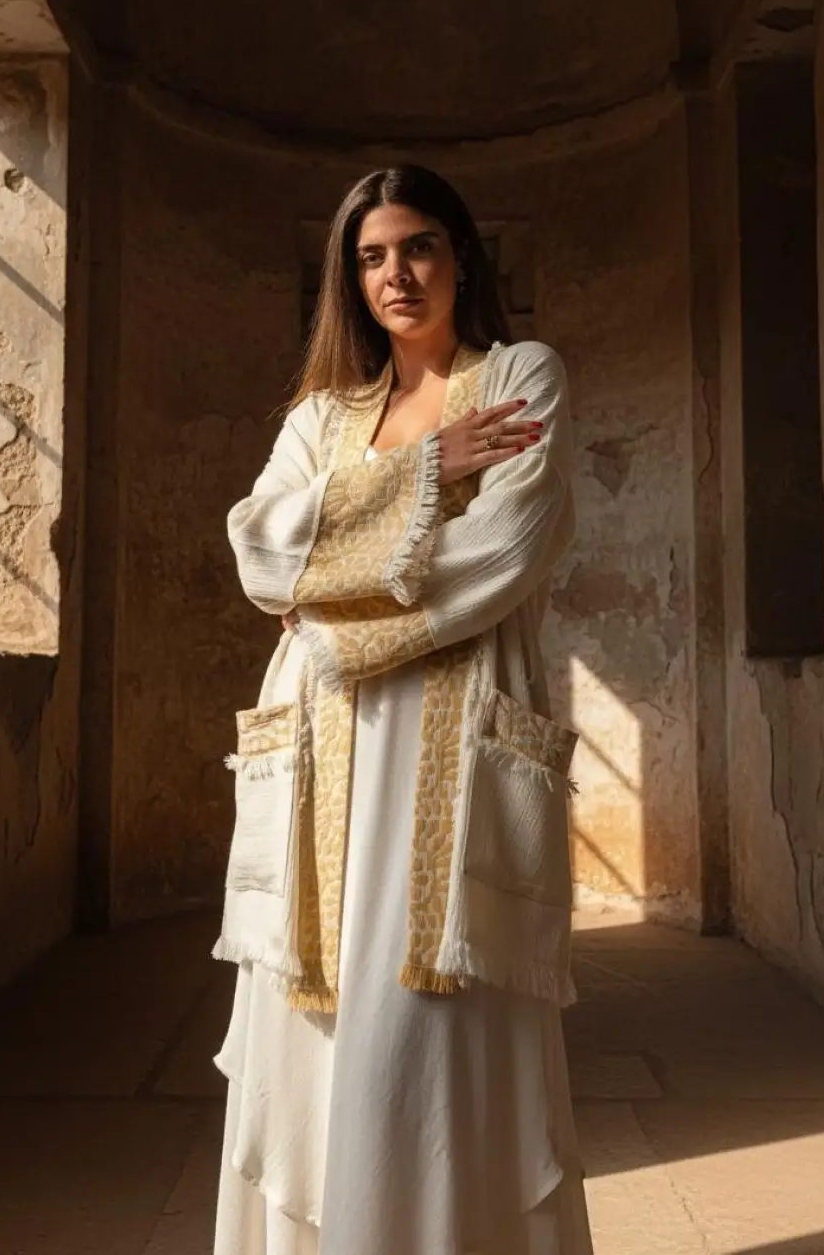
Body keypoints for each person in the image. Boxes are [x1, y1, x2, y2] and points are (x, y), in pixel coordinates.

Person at [212, 164, 593, 1255]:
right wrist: (428, 467)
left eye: (418, 245)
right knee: (314, 1040)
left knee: (426, 1042)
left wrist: (332, 626)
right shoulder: (320, 418)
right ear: (350, 277)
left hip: (450, 752)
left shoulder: (521, 377)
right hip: (321, 757)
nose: (397, 274)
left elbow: (503, 550)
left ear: (460, 253)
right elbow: (258, 551)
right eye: (371, 256)